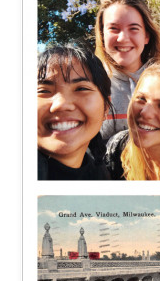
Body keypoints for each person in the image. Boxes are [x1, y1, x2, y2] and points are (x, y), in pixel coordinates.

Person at [95, 0, 160, 141]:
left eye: (133, 28)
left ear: (146, 36)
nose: (123, 38)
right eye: (113, 28)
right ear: (102, 35)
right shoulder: (89, 83)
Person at [37, 43, 112, 180]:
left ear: (106, 107)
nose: (61, 105)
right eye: (43, 91)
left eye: (81, 89)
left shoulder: (101, 175)